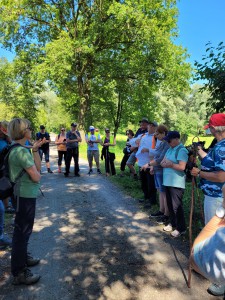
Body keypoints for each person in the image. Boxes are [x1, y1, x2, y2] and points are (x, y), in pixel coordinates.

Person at [191, 113, 225, 296]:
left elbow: (222, 176)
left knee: (215, 238)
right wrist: (201, 152)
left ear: (215, 128)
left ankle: (220, 281)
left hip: (218, 199)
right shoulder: (219, 146)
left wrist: (199, 173)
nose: (209, 130)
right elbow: (214, 164)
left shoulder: (222, 148)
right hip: (217, 197)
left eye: (210, 127)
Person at [8, 118, 43, 285]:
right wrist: (35, 169)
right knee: (21, 233)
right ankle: (19, 272)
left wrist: (35, 150)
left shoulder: (19, 148)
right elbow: (37, 176)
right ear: (23, 131)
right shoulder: (20, 152)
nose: (31, 130)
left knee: (24, 231)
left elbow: (38, 168)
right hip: (24, 195)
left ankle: (23, 259)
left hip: (23, 195)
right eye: (29, 128)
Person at [190, 184, 225, 295]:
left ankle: (220, 281)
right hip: (209, 195)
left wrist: (222, 209)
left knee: (212, 236)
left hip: (214, 197)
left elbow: (194, 258)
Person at [161, 131, 188, 238]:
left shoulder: (182, 150)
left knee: (177, 206)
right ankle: (173, 223)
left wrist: (171, 164)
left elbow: (182, 167)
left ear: (177, 139)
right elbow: (162, 162)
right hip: (168, 181)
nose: (168, 142)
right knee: (170, 205)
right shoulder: (169, 149)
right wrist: (166, 164)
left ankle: (181, 228)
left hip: (176, 183)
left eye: (169, 140)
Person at [142, 124, 170, 224]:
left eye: (157, 134)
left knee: (164, 192)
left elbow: (160, 158)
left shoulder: (166, 144)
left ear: (163, 133)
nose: (156, 136)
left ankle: (166, 214)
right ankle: (161, 210)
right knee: (160, 191)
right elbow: (156, 156)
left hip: (162, 171)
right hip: (157, 170)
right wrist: (153, 166)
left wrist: (149, 164)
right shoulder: (161, 143)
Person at [136, 121, 158, 208]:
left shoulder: (156, 137)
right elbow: (137, 145)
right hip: (142, 162)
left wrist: (148, 150)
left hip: (151, 163)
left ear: (155, 127)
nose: (149, 127)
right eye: (149, 125)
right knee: (143, 182)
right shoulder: (143, 135)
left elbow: (158, 151)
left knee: (151, 183)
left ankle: (152, 200)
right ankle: (146, 197)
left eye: (152, 126)